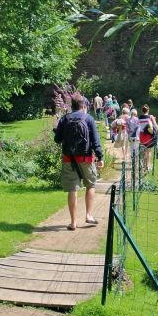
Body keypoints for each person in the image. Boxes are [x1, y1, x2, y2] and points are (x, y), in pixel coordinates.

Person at [54, 93, 104, 231]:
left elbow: (57, 140)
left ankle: (73, 222)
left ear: (72, 106)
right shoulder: (89, 119)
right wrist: (100, 158)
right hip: (86, 158)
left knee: (72, 189)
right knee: (90, 185)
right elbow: (95, 141)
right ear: (84, 106)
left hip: (68, 158)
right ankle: (88, 215)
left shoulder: (65, 119)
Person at [138, 104, 158, 172]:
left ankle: (144, 164)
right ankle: (147, 165)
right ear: (148, 110)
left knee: (143, 150)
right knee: (148, 150)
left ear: (142, 111)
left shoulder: (140, 117)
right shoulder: (150, 117)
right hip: (148, 134)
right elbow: (155, 126)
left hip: (141, 134)